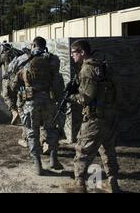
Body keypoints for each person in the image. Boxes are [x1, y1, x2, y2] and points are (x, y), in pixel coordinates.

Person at [62, 40, 120, 193]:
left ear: (82, 52)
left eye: (74, 52)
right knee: (108, 151)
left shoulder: (87, 69)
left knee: (82, 152)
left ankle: (79, 185)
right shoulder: (103, 66)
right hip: (110, 117)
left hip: (95, 118)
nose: (72, 55)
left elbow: (86, 97)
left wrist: (71, 97)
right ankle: (113, 181)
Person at [16, 37, 64, 175]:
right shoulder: (53, 59)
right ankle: (54, 159)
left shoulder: (24, 58)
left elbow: (14, 79)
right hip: (49, 100)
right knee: (51, 130)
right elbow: (56, 77)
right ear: (45, 45)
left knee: (32, 132)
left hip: (31, 102)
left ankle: (37, 165)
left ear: (33, 45)